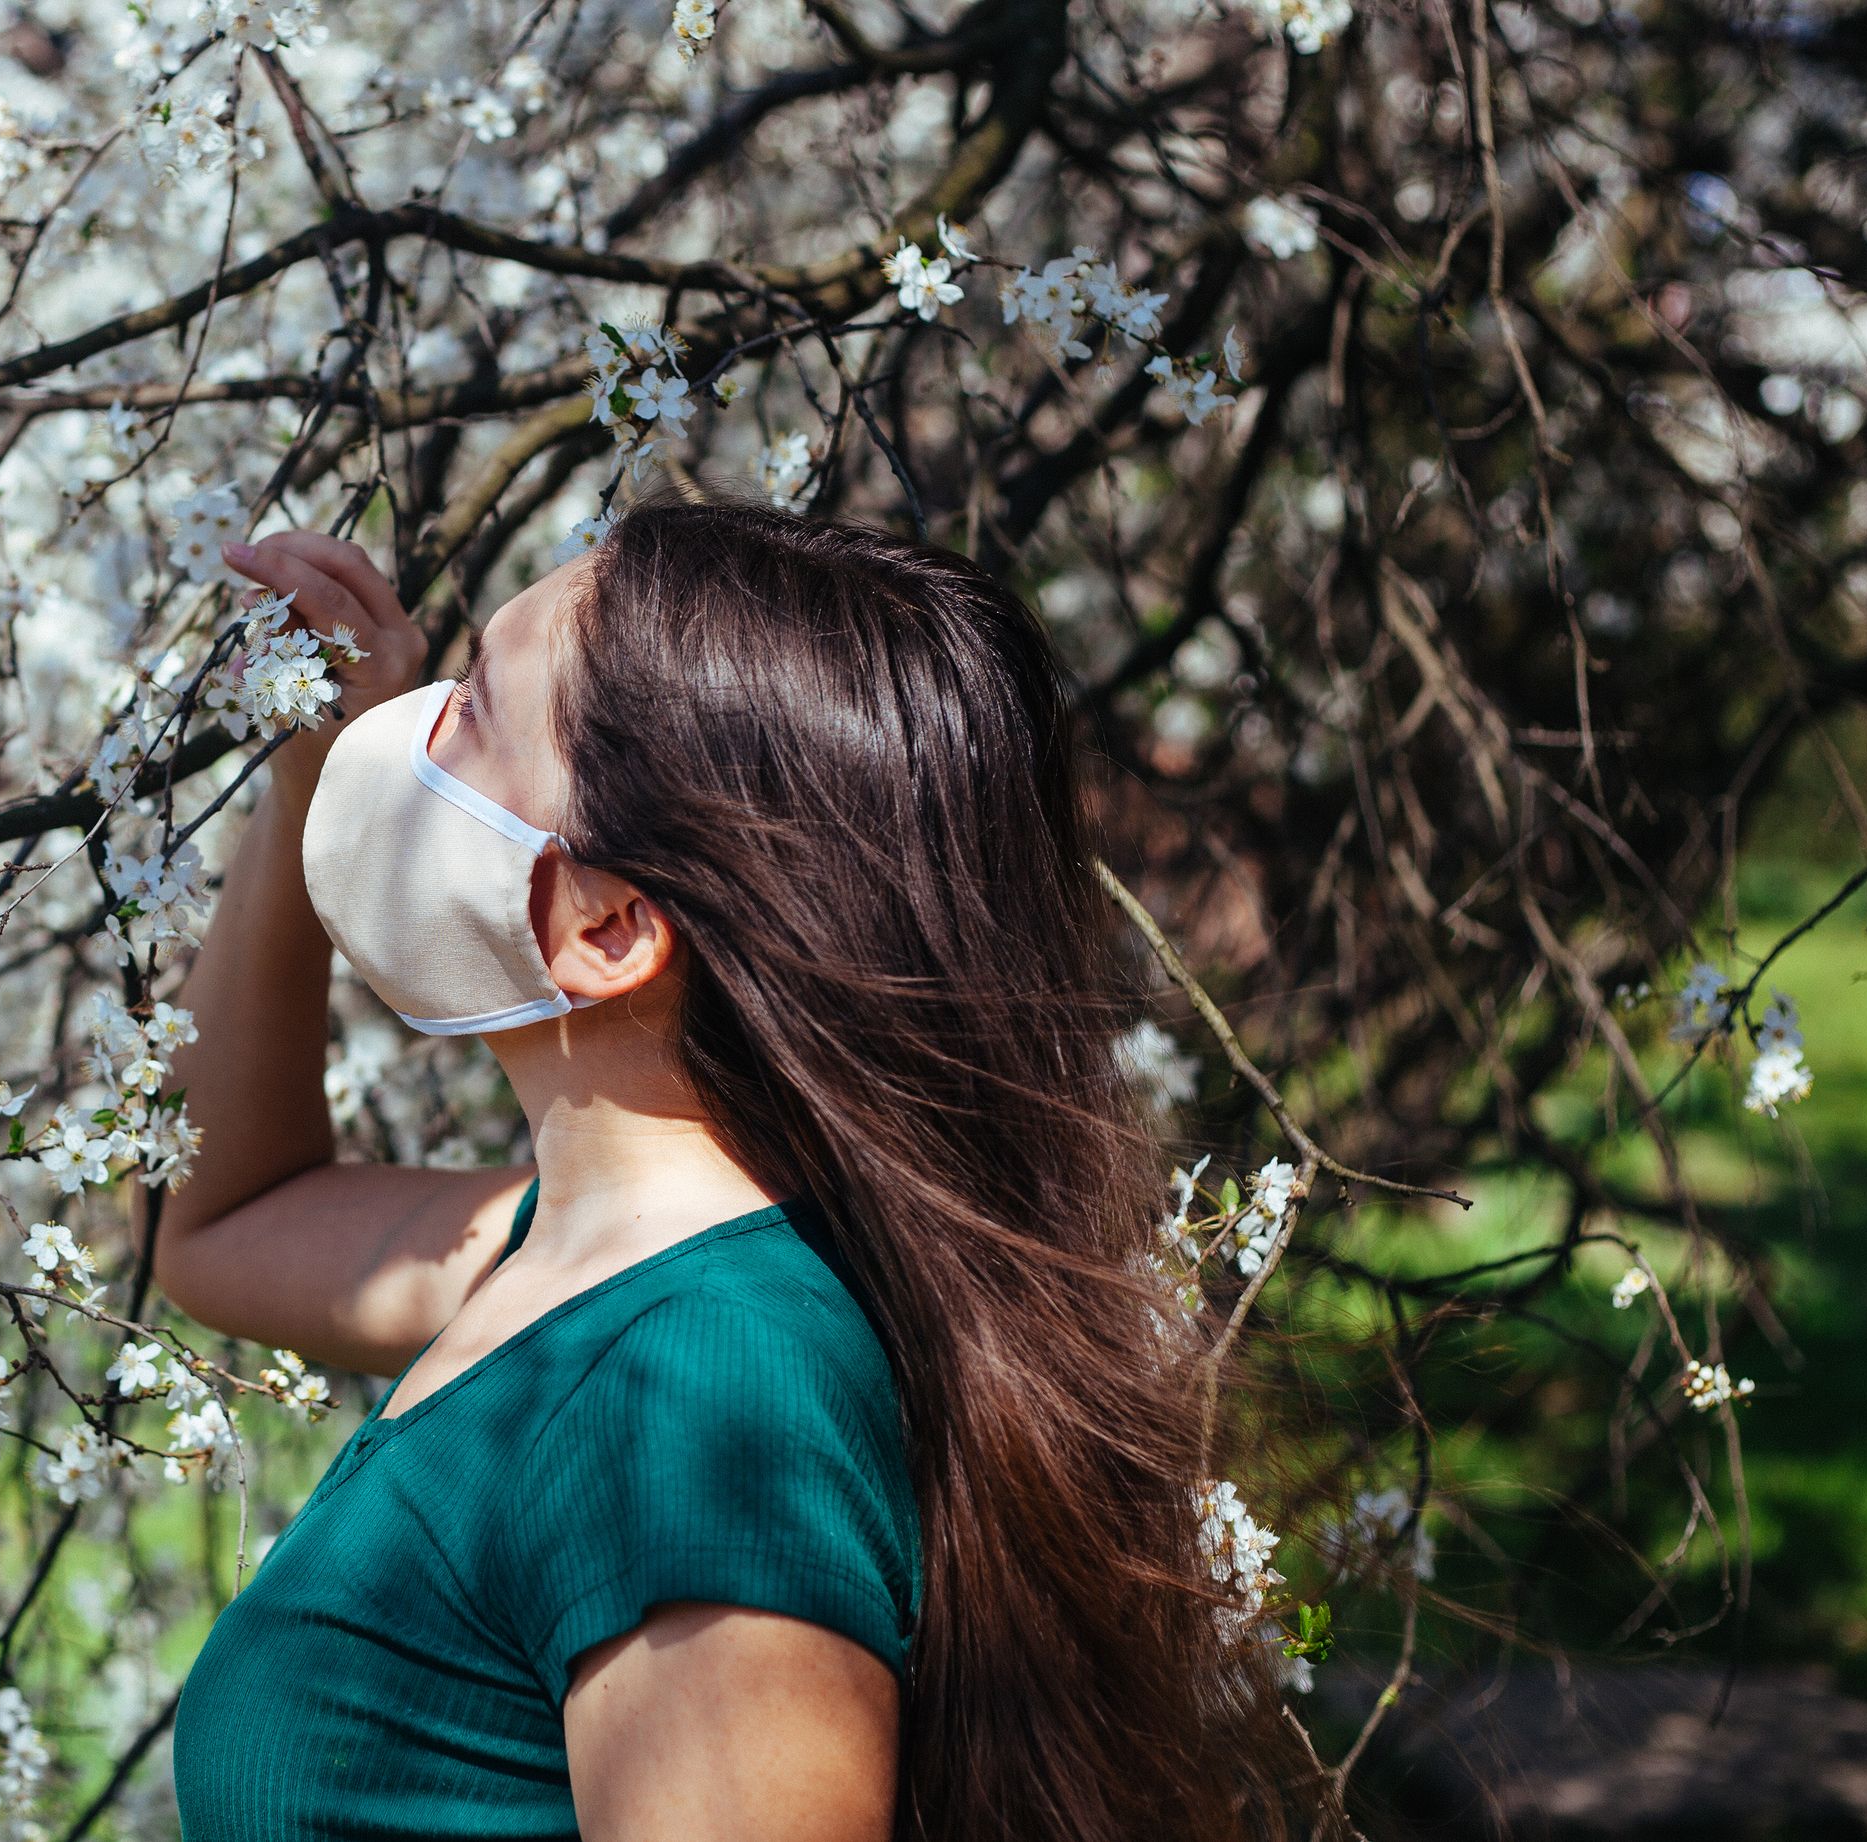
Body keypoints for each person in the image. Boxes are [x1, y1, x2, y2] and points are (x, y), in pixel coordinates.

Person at [155, 500, 1282, 1842]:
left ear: (613, 921)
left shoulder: (690, 1394)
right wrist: (310, 783)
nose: (412, 725)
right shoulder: (579, 1265)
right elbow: (221, 1219)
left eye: (471, 710)